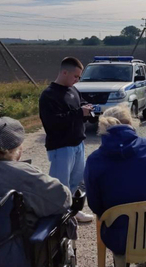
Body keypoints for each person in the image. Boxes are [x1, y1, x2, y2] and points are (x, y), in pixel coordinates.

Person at [84, 104, 146, 267]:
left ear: (103, 128)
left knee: (117, 225)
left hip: (121, 238)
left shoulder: (95, 160)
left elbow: (95, 205)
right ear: (131, 123)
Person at [39, 56, 94, 223]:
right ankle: (57, 216)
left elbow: (81, 104)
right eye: (75, 76)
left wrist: (87, 110)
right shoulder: (49, 95)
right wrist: (79, 113)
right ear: (64, 72)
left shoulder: (73, 90)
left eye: (79, 77)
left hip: (78, 143)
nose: (77, 80)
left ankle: (72, 211)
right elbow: (53, 122)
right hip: (61, 147)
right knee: (60, 185)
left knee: (75, 182)